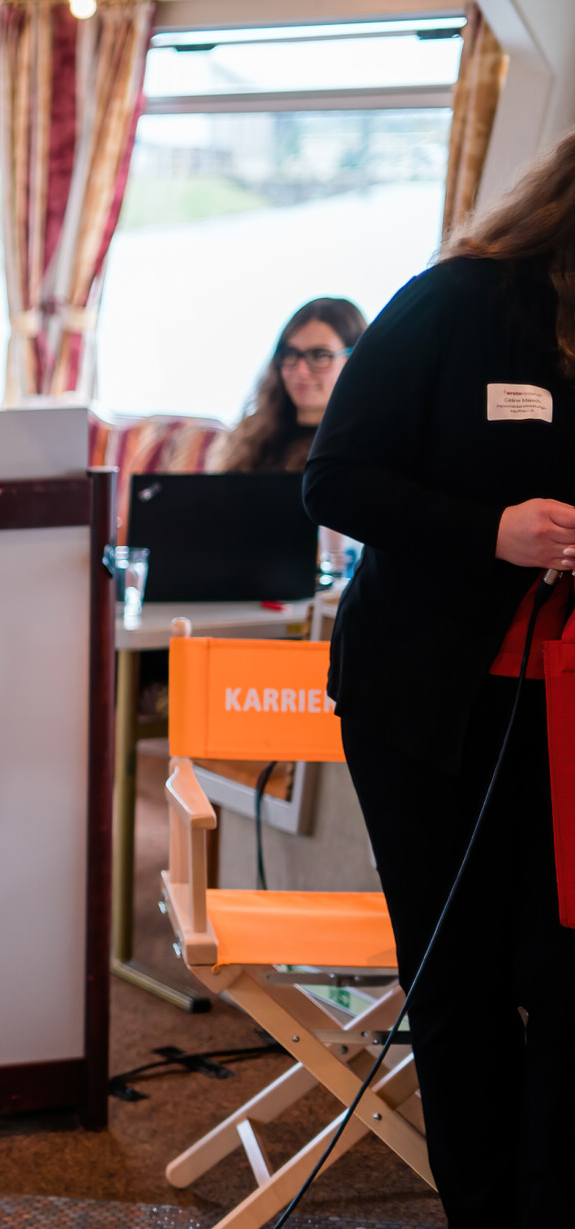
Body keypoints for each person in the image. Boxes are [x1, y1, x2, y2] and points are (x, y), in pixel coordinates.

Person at [305, 126, 575, 1227]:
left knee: (563, 977)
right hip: (428, 705)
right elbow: (335, 480)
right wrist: (490, 532)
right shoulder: (456, 302)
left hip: (564, 706)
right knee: (459, 983)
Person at [213, 297, 366, 472]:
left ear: (355, 360)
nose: (300, 371)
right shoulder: (250, 435)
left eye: (319, 355)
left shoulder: (370, 444)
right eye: (291, 353)